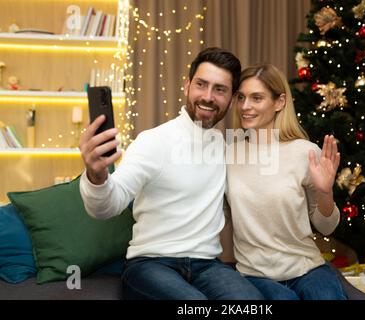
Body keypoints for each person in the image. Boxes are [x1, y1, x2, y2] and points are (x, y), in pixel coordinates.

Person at [79, 47, 264, 300]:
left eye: (220, 89)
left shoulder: (226, 148)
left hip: (208, 264)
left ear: (231, 100)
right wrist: (96, 175)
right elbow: (106, 207)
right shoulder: (153, 141)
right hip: (151, 263)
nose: (208, 97)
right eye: (201, 84)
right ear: (187, 86)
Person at [225, 63, 347, 300]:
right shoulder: (228, 155)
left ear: (279, 102)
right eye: (241, 97)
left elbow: (327, 227)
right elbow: (218, 216)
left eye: (256, 98)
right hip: (254, 274)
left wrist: (325, 192)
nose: (245, 106)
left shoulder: (305, 152)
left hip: (307, 268)